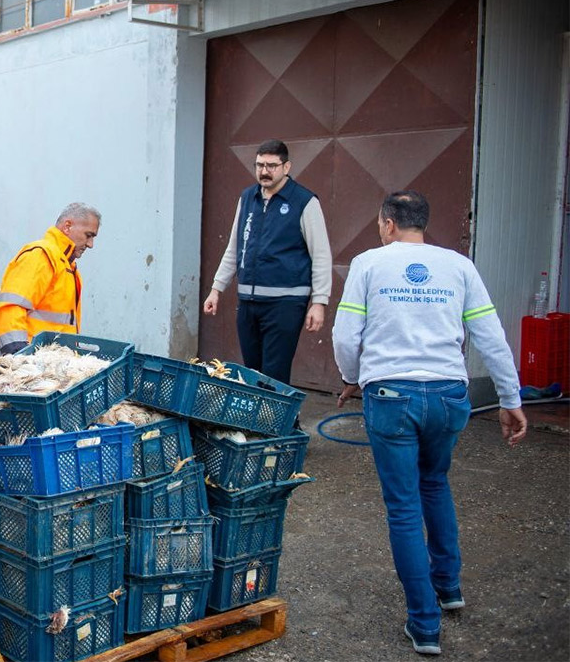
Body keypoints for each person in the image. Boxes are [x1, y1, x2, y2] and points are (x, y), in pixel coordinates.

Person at [332, 190, 527, 656]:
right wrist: (510, 397)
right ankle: (449, 586)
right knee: (435, 483)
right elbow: (490, 334)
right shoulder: (457, 265)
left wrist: (352, 377)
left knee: (402, 507)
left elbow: (345, 335)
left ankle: (424, 624)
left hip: (391, 396)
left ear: (388, 223)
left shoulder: (368, 264)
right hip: (448, 396)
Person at [202, 139, 332, 385]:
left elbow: (321, 255)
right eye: (260, 165)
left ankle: (282, 422)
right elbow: (234, 247)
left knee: (274, 373)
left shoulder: (304, 202)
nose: (264, 171)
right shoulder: (247, 198)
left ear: (287, 167)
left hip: (285, 303)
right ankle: (256, 423)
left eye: (272, 165)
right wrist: (216, 289)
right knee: (252, 371)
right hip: (249, 302)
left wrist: (319, 301)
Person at [0, 203, 101, 375]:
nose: (91, 244)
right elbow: (10, 309)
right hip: (6, 368)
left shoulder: (68, 268)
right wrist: (21, 358)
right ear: (67, 226)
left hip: (37, 368)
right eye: (88, 235)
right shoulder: (41, 255)